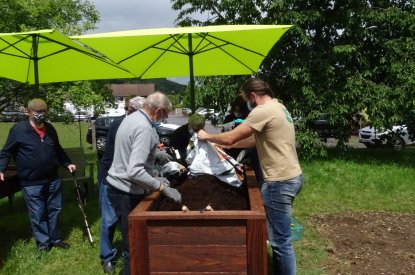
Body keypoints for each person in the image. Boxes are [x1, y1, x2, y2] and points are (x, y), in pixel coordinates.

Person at [198, 78, 303, 275]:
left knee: (280, 242)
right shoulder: (279, 107)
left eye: (247, 99)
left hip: (278, 182)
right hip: (293, 176)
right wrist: (225, 145)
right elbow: (254, 141)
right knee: (282, 238)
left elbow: (231, 136)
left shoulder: (261, 111)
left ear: (253, 96)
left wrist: (208, 136)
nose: (247, 103)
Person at [106, 92, 181, 275]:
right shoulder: (145, 128)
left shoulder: (131, 118)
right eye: (165, 115)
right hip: (127, 192)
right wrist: (161, 187)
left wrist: (155, 154)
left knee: (130, 243)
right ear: (159, 111)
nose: (164, 119)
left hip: (116, 187)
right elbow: (135, 171)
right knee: (134, 247)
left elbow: (132, 150)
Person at [0, 98, 76, 251]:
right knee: (38, 213)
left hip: (52, 178)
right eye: (37, 111)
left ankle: (55, 239)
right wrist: (1, 168)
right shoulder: (18, 130)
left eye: (43, 111)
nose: (41, 114)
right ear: (29, 112)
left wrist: (67, 163)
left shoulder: (50, 129)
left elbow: (58, 149)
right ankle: (43, 244)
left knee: (54, 210)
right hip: (31, 181)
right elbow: (6, 151)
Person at [98, 96, 145, 274]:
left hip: (124, 179)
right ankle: (107, 257)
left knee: (124, 219)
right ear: (132, 111)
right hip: (110, 177)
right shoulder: (121, 124)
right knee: (109, 220)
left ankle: (129, 252)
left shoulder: (133, 123)